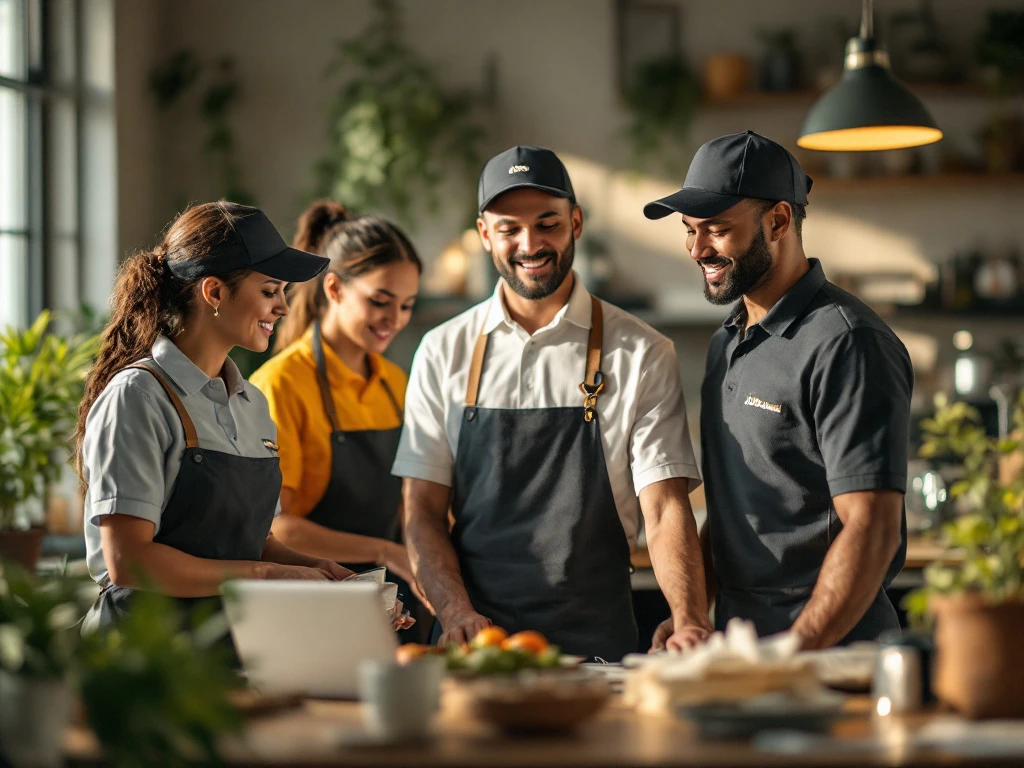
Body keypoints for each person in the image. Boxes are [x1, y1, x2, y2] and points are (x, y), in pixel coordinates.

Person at [393, 146, 711, 661]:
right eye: (508, 228)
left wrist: (689, 618)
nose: (530, 243)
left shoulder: (642, 352)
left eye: (548, 224)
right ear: (482, 233)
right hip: (476, 645)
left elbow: (664, 505)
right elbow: (422, 512)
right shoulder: (443, 350)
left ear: (576, 222)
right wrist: (454, 612)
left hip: (596, 643)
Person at [643, 131, 911, 649]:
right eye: (690, 230)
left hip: (834, 657)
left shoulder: (848, 343)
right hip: (742, 653)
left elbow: (872, 529)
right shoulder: (729, 340)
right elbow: (734, 518)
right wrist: (692, 617)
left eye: (717, 230)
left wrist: (793, 653)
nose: (698, 249)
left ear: (779, 221)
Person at [76, 202, 365, 633]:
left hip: (222, 648)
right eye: (270, 291)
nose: (283, 308)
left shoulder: (252, 405)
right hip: (140, 659)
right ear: (213, 292)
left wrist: (322, 573)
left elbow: (253, 543)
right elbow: (128, 561)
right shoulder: (137, 398)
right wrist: (269, 577)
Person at [250, 201, 427, 617]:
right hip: (314, 604)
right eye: (380, 301)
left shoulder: (395, 383)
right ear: (334, 289)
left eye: (406, 305)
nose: (394, 320)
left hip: (396, 602)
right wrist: (385, 550)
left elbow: (409, 505)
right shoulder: (281, 385)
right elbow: (278, 529)